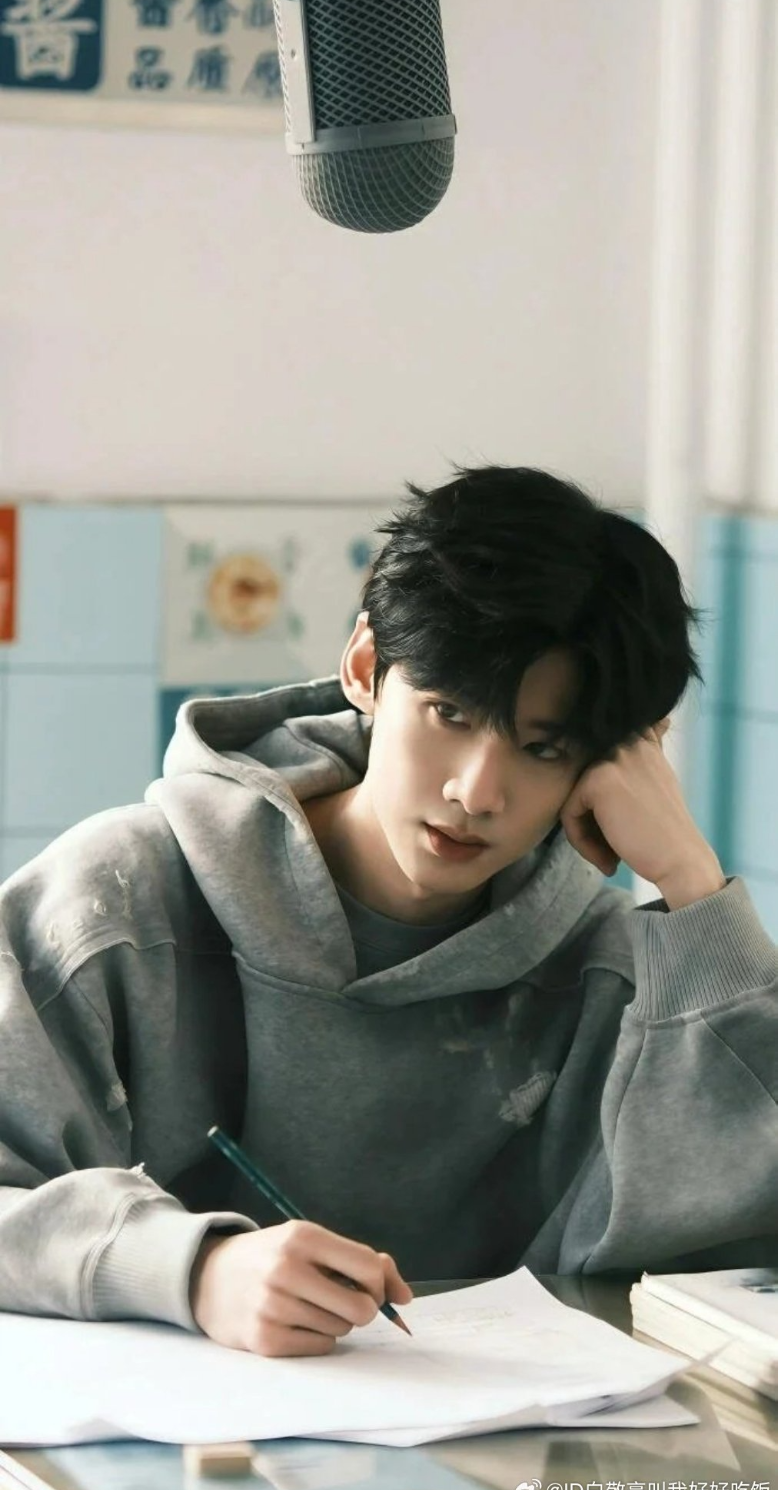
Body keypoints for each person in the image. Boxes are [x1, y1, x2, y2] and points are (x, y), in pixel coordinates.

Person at [0, 465, 776, 1360]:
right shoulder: (115, 903)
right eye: (450, 712)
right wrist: (190, 1267)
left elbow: (743, 1255)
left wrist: (691, 882)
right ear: (366, 667)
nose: (476, 790)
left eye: (543, 747)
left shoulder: (619, 981)